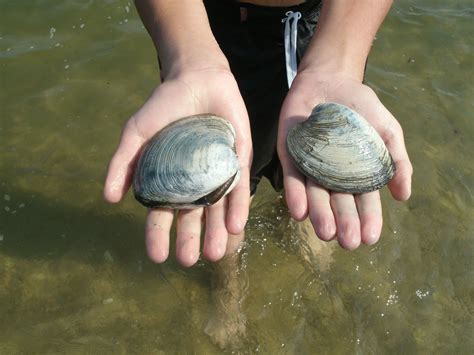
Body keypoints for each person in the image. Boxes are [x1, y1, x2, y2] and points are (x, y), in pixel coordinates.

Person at [104, 0, 413, 268]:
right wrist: (187, 59)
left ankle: (302, 226)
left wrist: (341, 64)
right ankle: (228, 286)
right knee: (232, 195)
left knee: (305, 182)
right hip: (203, 28)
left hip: (329, 28)